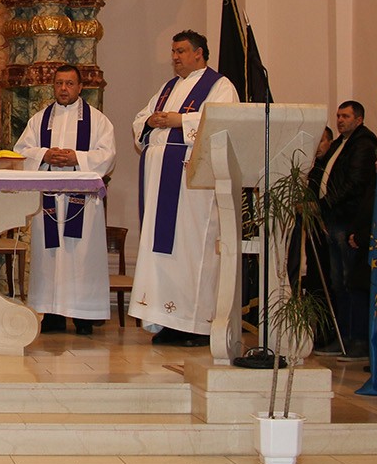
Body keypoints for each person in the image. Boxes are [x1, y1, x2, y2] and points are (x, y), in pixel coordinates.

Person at [129, 30, 238, 346]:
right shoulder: (168, 88)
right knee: (163, 251)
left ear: (199, 53)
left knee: (192, 250)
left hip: (193, 188)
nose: (175, 57)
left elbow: (225, 123)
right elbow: (141, 120)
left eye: (181, 51)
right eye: (173, 51)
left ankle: (196, 325)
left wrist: (181, 121)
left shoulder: (220, 86)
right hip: (160, 183)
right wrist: (151, 121)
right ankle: (168, 320)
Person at [15, 64, 116, 335]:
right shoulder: (39, 120)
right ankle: (52, 315)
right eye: (59, 83)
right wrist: (45, 155)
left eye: (70, 83)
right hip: (48, 201)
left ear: (80, 87)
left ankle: (84, 316)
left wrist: (76, 158)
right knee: (50, 257)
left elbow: (107, 155)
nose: (63, 88)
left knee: (81, 257)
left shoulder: (98, 121)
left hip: (83, 204)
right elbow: (21, 151)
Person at [315, 100, 377, 358]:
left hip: (349, 220)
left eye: (346, 116)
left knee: (352, 281)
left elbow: (354, 184)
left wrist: (322, 204)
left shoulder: (363, 145)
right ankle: (343, 337)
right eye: (338, 116)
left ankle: (357, 339)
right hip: (333, 218)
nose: (340, 120)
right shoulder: (340, 143)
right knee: (338, 282)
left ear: (359, 119)